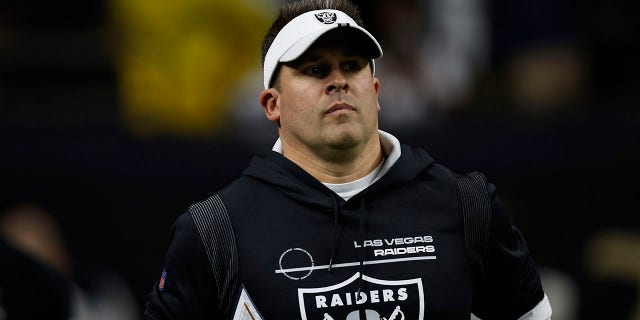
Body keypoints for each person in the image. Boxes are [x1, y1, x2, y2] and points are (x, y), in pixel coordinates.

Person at [144, 0, 553, 319]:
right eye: (316, 69)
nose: (338, 80)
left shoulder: (466, 205)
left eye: (352, 66)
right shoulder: (215, 231)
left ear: (375, 91)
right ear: (272, 104)